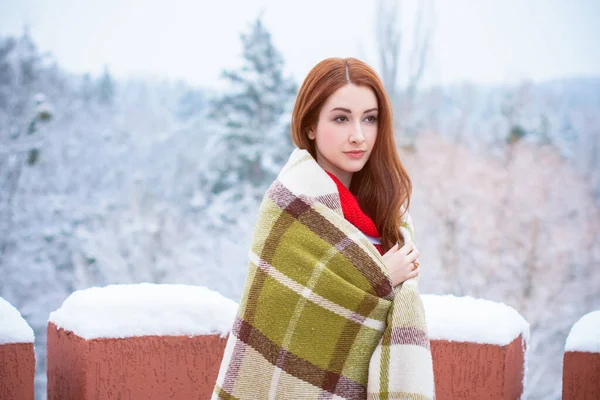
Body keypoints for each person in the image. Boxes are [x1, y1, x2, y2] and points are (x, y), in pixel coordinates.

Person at [213, 57, 434, 400]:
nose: (358, 135)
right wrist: (379, 278)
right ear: (311, 125)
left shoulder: (387, 215)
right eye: (341, 118)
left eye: (370, 119)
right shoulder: (290, 204)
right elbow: (285, 318)